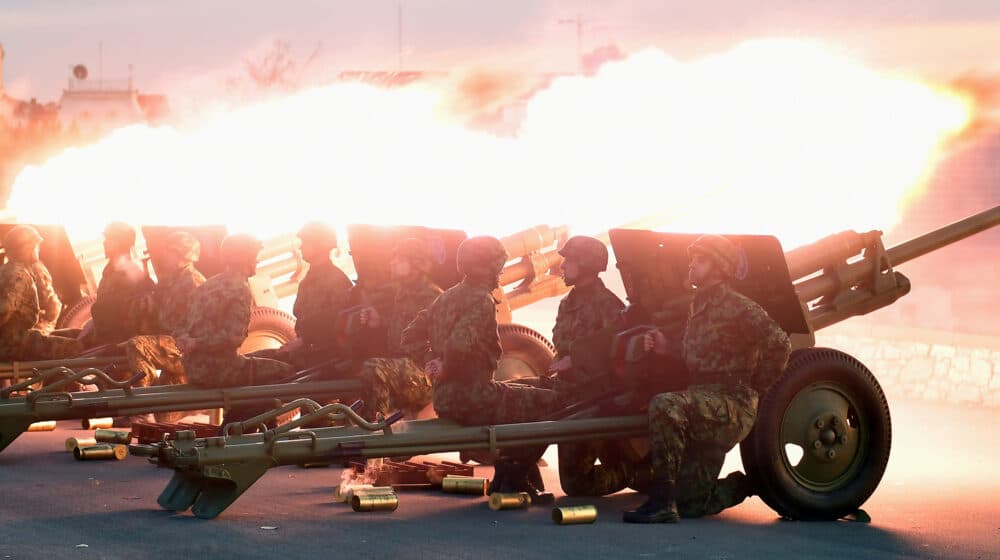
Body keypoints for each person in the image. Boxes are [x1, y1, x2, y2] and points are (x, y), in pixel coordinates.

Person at [623, 234, 791, 523]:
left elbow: (779, 344)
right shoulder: (697, 306)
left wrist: (756, 387)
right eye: (692, 260)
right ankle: (753, 482)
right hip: (704, 400)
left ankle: (662, 502)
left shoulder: (739, 306)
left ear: (719, 267)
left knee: (665, 405)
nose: (692, 266)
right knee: (691, 504)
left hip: (730, 402)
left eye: (700, 261)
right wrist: (665, 346)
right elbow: (697, 353)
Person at [401, 235, 561, 498]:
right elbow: (458, 344)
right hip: (474, 399)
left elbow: (410, 335)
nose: (499, 272)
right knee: (550, 404)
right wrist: (445, 365)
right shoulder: (481, 300)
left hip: (446, 398)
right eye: (497, 266)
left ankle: (507, 475)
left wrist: (430, 359)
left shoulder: (447, 297)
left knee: (524, 392)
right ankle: (514, 475)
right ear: (487, 267)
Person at [546, 235, 634, 496]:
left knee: (576, 484)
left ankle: (638, 473)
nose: (562, 266)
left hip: (592, 397)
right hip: (566, 391)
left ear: (585, 263)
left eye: (569, 260)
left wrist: (578, 362)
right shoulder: (567, 304)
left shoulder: (609, 306)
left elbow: (618, 358)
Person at [175, 233, 292, 389]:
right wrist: (196, 343)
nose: (257, 260)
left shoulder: (207, 285)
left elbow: (180, 324)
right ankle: (256, 412)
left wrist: (185, 339)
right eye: (254, 256)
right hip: (221, 372)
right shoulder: (240, 289)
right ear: (245, 259)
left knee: (267, 357)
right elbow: (233, 338)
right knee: (288, 372)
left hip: (194, 370)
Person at [355, 238, 442, 421]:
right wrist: (380, 322)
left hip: (423, 373)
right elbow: (407, 327)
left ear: (417, 263)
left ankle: (374, 429)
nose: (392, 262)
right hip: (404, 367)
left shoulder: (433, 296)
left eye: (400, 259)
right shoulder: (402, 293)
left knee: (374, 368)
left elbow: (444, 342)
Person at [253, 222, 353, 369]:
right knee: (254, 359)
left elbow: (338, 322)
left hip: (324, 355)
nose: (300, 247)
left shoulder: (336, 280)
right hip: (308, 349)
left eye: (306, 242)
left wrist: (305, 340)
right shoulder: (309, 280)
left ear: (320, 245)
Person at [122, 231, 205, 387]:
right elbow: (161, 316)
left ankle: (144, 399)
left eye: (170, 252)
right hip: (171, 343)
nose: (164, 257)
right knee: (171, 404)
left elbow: (203, 325)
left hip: (187, 348)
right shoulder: (172, 281)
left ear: (182, 255)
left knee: (137, 345)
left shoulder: (193, 281)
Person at [0, 225, 82, 362]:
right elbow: (4, 309)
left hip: (14, 339)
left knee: (75, 335)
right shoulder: (18, 274)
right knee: (76, 347)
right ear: (27, 248)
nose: (38, 250)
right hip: (14, 344)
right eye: (36, 246)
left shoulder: (8, 270)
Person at [88, 222, 154, 346]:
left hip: (117, 344)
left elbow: (127, 319)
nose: (105, 243)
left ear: (122, 242)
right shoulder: (111, 273)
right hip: (103, 339)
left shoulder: (131, 273)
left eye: (110, 239)